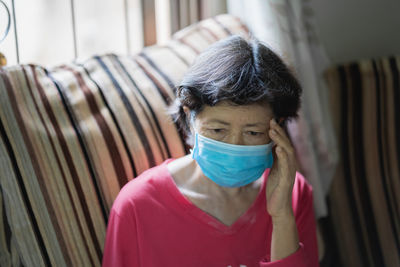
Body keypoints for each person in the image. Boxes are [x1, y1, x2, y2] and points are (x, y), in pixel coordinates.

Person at [102, 35, 319, 267]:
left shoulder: (294, 195)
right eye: (217, 130)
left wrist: (282, 216)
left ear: (278, 127)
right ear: (190, 116)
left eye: (253, 133)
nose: (235, 146)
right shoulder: (137, 206)